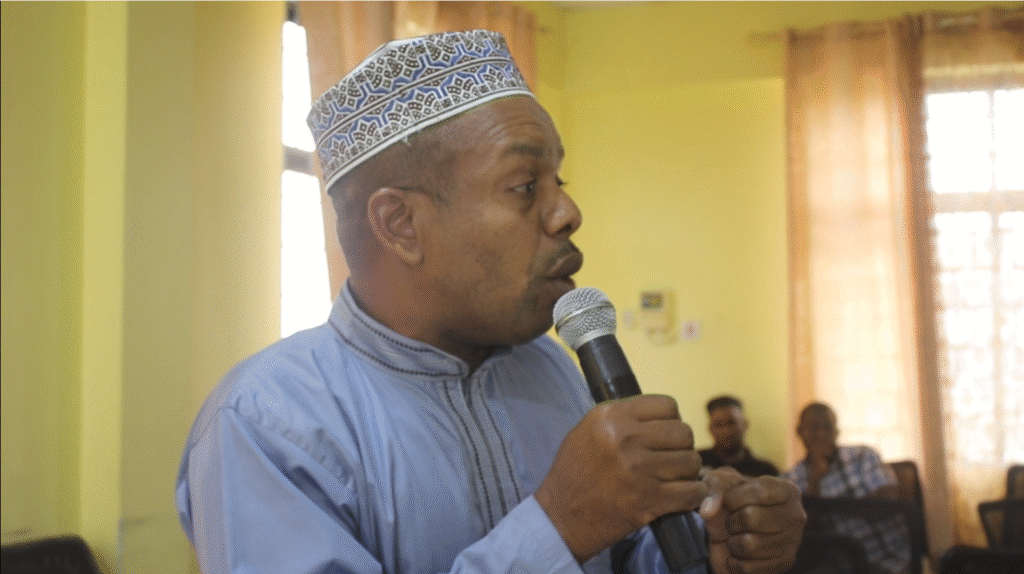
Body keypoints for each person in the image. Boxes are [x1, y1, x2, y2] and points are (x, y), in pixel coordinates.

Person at [175, 30, 805, 574]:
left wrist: (715, 544)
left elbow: (616, 558)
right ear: (399, 224)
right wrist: (560, 526)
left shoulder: (551, 370)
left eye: (560, 180)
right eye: (526, 186)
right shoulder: (267, 422)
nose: (567, 212)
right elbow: (572, 531)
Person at [783, 402, 911, 574]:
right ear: (799, 432)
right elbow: (799, 536)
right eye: (813, 428)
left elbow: (888, 500)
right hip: (842, 564)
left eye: (828, 428)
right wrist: (815, 481)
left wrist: (831, 506)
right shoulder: (790, 480)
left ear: (836, 432)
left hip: (891, 558)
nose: (821, 434)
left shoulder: (862, 455)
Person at [698, 396, 779, 478]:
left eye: (732, 423)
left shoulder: (766, 472)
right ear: (710, 429)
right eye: (718, 425)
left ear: (745, 425)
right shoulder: (696, 464)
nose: (726, 431)